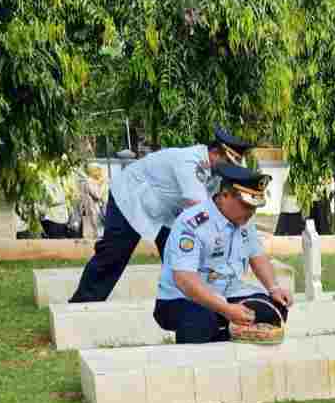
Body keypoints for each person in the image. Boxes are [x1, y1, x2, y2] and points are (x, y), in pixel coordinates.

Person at [68, 127, 254, 303]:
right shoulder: (190, 161)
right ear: (215, 153)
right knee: (113, 254)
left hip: (164, 213)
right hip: (131, 200)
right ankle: (82, 304)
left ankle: (188, 304)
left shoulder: (216, 171)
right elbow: (200, 208)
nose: (230, 169)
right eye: (228, 163)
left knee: (181, 258)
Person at [153, 164, 292, 344]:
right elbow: (184, 280)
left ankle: (230, 343)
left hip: (227, 293)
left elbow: (257, 255)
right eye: (246, 205)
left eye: (255, 207)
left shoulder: (243, 221)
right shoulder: (192, 223)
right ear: (224, 195)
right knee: (201, 321)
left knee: (272, 310)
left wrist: (274, 289)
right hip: (181, 298)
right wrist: (225, 309)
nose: (251, 212)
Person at [80, 165, 108, 240]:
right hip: (91, 210)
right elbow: (98, 195)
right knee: (92, 232)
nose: (101, 174)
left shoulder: (92, 182)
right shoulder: (89, 182)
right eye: (99, 171)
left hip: (93, 210)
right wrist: (103, 184)